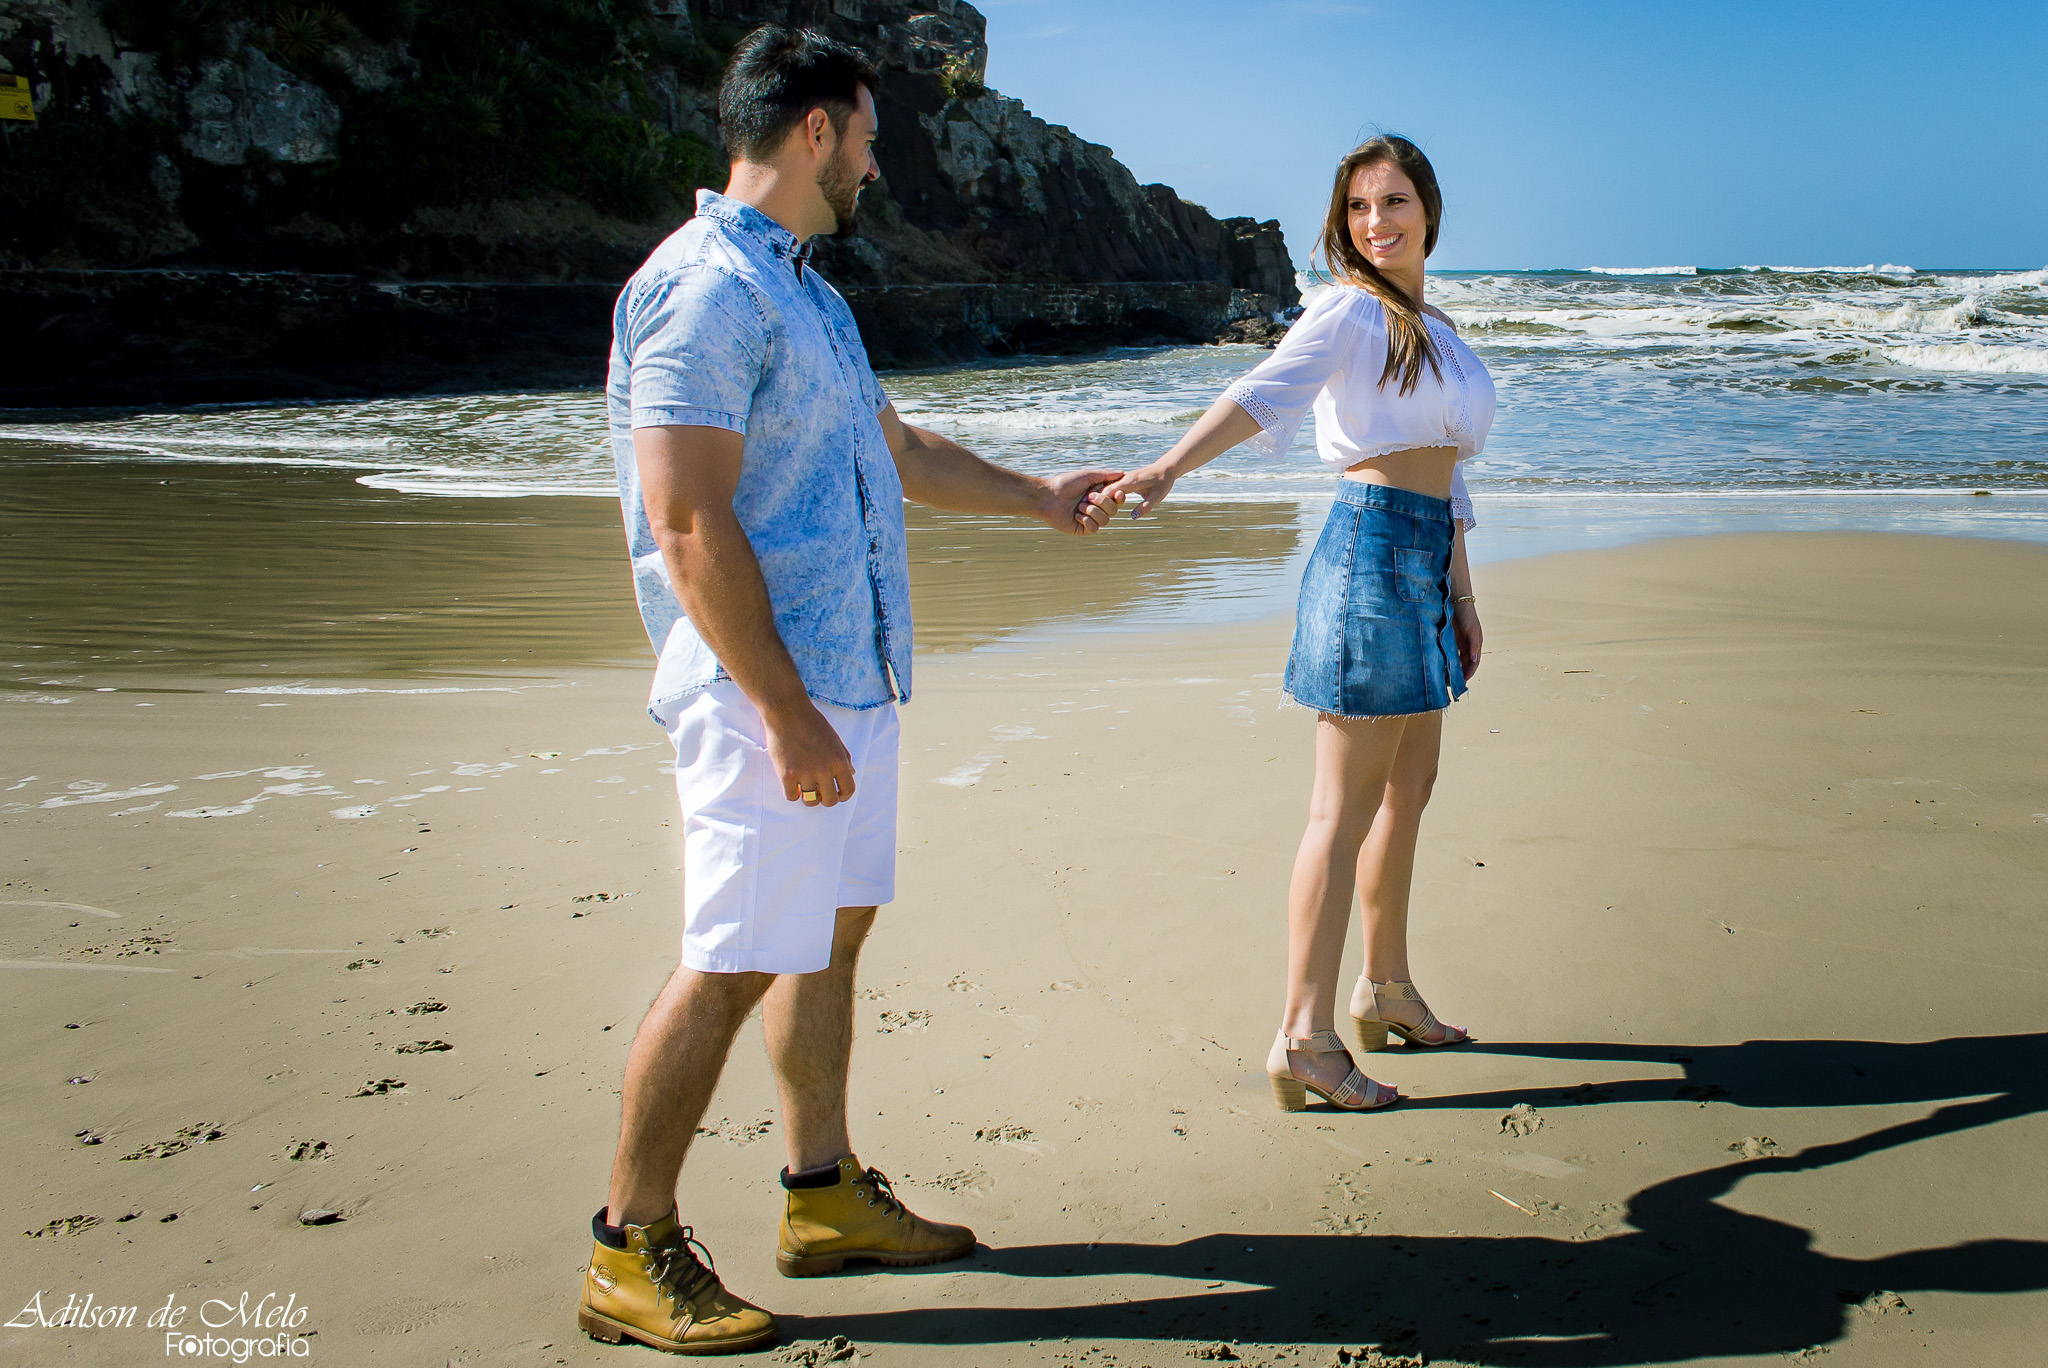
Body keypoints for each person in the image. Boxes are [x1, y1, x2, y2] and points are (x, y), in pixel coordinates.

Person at [579, 27, 1124, 1355]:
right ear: (814, 130)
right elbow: (687, 520)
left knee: (827, 936)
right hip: (765, 694)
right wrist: (783, 711)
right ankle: (627, 1249)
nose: (876, 166)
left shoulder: (809, 297)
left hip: (850, 680)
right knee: (732, 958)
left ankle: (819, 1196)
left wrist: (1037, 498)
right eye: (868, 138)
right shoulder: (700, 291)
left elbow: (899, 449)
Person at [1096, 134, 1491, 1115]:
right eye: (1358, 207)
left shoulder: (1433, 326)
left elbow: (1449, 476)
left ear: (1428, 212)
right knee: (1341, 811)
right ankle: (1304, 1036)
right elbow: (1262, 392)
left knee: (1409, 791)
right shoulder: (1349, 311)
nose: (1375, 222)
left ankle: (1385, 987)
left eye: (1393, 202)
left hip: (1422, 563)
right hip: (1367, 556)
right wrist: (1165, 469)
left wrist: (1462, 593)